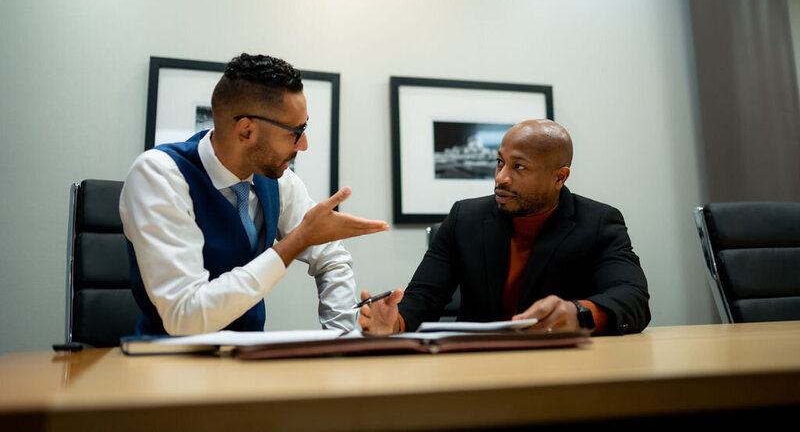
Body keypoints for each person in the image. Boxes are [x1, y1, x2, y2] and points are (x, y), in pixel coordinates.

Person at [120, 53, 389, 336]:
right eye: (295, 132)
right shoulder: (159, 175)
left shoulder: (279, 180)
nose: (304, 145)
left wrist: (342, 339)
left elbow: (332, 258)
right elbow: (184, 317)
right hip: (167, 366)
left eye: (305, 127)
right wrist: (297, 241)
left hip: (250, 363)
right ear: (246, 131)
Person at [359, 119, 649, 336]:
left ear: (559, 177)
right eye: (500, 163)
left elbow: (632, 298)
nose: (501, 178)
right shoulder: (465, 217)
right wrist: (394, 323)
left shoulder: (598, 222)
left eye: (518, 167)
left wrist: (579, 314)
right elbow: (424, 297)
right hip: (478, 367)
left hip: (565, 366)